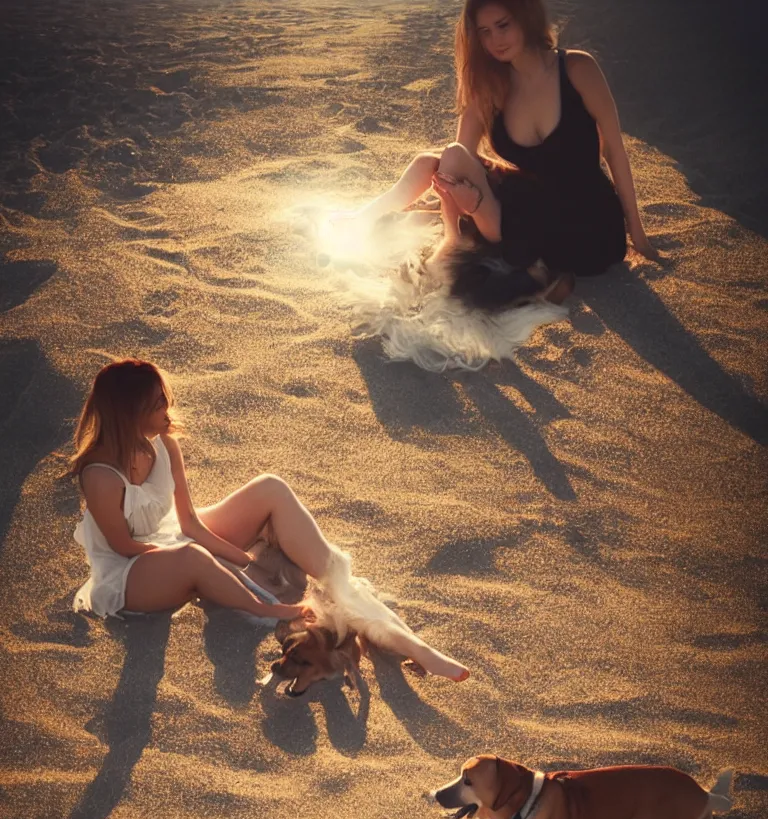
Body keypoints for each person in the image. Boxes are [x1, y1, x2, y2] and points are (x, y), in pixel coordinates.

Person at [68, 359, 469, 682]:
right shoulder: (100, 474)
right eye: (156, 404)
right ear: (129, 412)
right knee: (191, 559)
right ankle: (274, 609)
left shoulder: (163, 444)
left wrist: (240, 560)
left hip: (173, 537)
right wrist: (242, 582)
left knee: (270, 488)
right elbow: (125, 547)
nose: (167, 410)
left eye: (163, 398)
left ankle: (403, 638)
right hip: (128, 574)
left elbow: (188, 522)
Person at [345, 0, 658, 305]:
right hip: (530, 205)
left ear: (526, 17)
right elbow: (457, 160)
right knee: (431, 163)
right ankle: (360, 221)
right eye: (484, 32)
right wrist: (448, 199)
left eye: (503, 25)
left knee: (469, 192)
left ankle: (496, 258)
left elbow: (615, 151)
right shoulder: (492, 86)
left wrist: (637, 233)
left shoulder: (576, 68)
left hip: (589, 223)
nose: (495, 40)